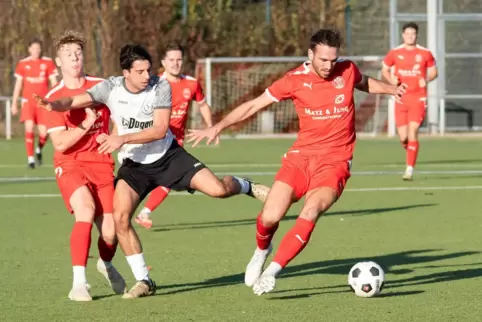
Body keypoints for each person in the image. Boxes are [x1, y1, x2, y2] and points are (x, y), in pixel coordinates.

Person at [36, 44, 270, 299]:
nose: (148, 75)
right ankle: (144, 280)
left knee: (218, 190)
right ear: (126, 73)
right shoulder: (110, 87)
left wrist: (122, 138)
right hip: (134, 166)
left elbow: (159, 130)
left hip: (168, 156)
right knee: (121, 219)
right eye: (140, 71)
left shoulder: (161, 86)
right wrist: (51, 105)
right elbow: (72, 100)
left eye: (148, 69)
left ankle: (245, 185)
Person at [187, 28, 407, 295]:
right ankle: (261, 251)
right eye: (323, 60)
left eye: (333, 60)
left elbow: (363, 82)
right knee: (270, 216)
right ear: (310, 54)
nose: (329, 66)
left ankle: (273, 271)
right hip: (300, 158)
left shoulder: (346, 70)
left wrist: (391, 89)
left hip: (335, 162)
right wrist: (218, 126)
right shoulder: (293, 80)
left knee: (310, 211)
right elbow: (254, 105)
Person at [42, 30, 125, 302]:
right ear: (59, 61)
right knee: (85, 210)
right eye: (68, 54)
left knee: (112, 232)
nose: (75, 58)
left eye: (78, 53)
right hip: (70, 164)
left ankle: (106, 263)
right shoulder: (53, 98)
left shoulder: (103, 85)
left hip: (101, 162)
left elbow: (121, 115)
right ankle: (79, 284)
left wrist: (114, 135)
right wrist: (85, 125)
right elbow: (61, 144)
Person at [135, 42, 218, 229]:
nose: (175, 63)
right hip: (152, 138)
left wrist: (210, 126)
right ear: (164, 62)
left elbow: (203, 105)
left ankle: (144, 213)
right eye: (171, 60)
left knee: (169, 178)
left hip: (174, 142)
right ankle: (133, 213)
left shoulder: (191, 83)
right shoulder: (153, 84)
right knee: (147, 176)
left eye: (179, 60)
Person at [382, 22, 438, 180]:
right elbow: (385, 69)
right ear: (403, 35)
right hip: (401, 97)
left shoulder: (425, 53)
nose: (410, 36)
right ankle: (411, 151)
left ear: (417, 35)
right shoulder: (395, 52)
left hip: (418, 98)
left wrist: (426, 79)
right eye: (407, 33)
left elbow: (434, 71)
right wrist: (390, 79)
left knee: (413, 131)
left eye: (413, 34)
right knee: (403, 137)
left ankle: (409, 169)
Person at [12, 38, 58, 168]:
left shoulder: (48, 62)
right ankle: (30, 158)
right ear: (29, 49)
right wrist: (14, 103)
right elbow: (18, 85)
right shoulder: (23, 64)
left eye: (38, 48)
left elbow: (54, 83)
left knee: (44, 133)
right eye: (33, 48)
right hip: (28, 102)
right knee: (29, 128)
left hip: (43, 102)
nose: (36, 51)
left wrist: (57, 100)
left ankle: (38, 149)